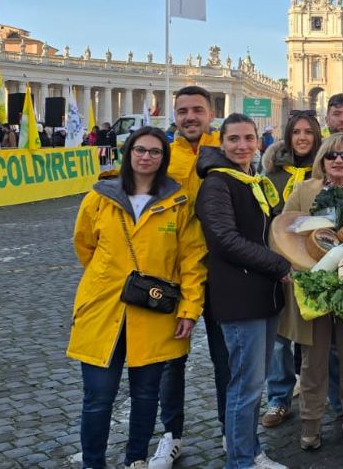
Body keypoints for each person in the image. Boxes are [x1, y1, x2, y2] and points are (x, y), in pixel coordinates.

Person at [68, 126, 208, 469]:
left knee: (146, 395)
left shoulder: (178, 203)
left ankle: (136, 459)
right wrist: (108, 278)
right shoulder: (99, 198)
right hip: (103, 308)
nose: (146, 157)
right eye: (140, 150)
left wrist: (190, 310)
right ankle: (93, 463)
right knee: (98, 397)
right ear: (129, 152)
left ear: (164, 159)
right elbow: (84, 244)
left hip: (155, 308)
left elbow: (191, 261)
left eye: (155, 152)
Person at [195, 113, 292, 469]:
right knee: (245, 387)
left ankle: (250, 451)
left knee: (253, 385)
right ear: (221, 144)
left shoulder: (251, 179)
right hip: (239, 297)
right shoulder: (218, 184)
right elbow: (224, 240)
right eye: (234, 139)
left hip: (261, 293)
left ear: (258, 141)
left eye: (248, 138)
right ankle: (241, 460)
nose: (242, 145)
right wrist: (279, 264)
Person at [281, 133, 343, 449]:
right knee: (313, 362)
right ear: (322, 159)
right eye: (332, 155)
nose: (338, 160)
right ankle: (310, 426)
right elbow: (286, 232)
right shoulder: (303, 190)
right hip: (314, 290)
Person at [149, 86, 228, 469]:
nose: (190, 117)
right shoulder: (162, 156)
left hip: (220, 269)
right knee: (170, 359)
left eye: (197, 110)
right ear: (175, 115)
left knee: (225, 356)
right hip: (174, 270)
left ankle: (231, 431)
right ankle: (171, 435)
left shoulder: (229, 150)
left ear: (210, 113)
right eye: (183, 111)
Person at [259, 110, 322, 430]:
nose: (301, 137)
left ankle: (318, 396)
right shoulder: (272, 175)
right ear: (288, 135)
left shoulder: (326, 173)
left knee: (315, 336)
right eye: (296, 132)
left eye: (308, 132)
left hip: (314, 266)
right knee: (280, 337)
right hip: (277, 265)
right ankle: (279, 397)